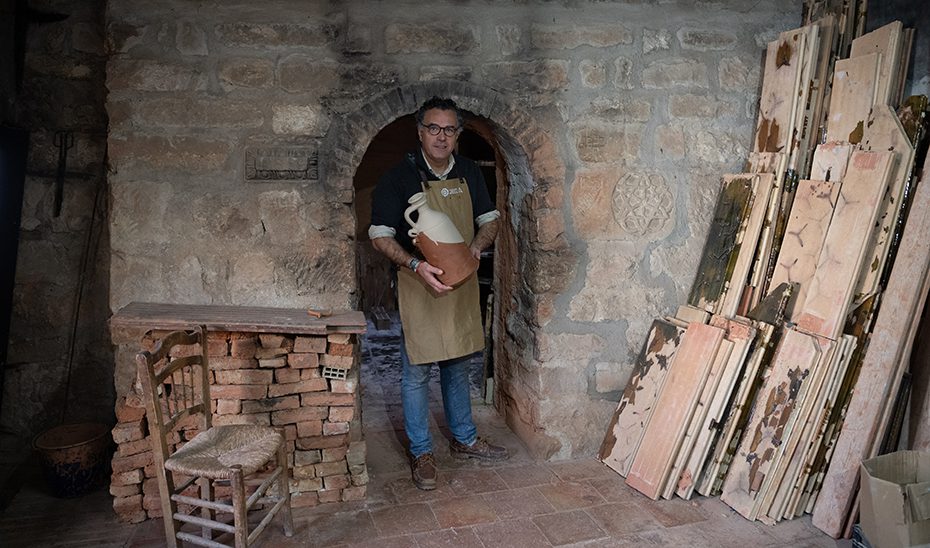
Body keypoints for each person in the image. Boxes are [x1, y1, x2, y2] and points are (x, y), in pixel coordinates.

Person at [368, 96, 508, 490]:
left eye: (449, 129)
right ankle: (421, 451)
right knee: (416, 372)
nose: (441, 136)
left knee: (458, 365)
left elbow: (490, 219)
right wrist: (415, 265)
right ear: (420, 132)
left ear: (458, 135)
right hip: (420, 284)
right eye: (433, 128)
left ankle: (464, 439)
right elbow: (379, 234)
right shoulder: (400, 177)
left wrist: (477, 247)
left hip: (461, 284)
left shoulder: (468, 172)